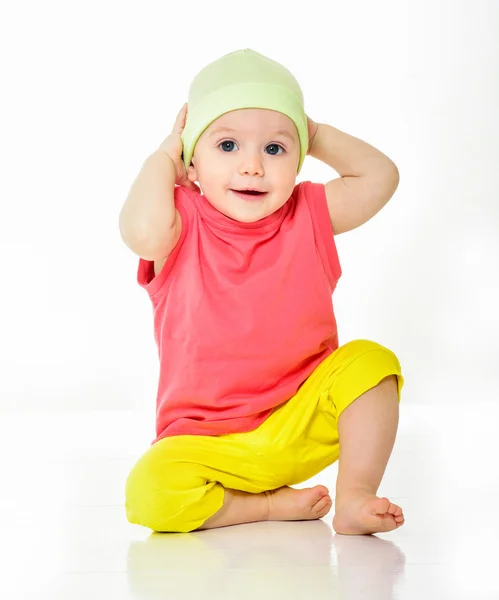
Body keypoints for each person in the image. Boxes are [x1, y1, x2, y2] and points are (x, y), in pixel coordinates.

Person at [119, 48, 405, 535]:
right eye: (227, 146)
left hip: (300, 421)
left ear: (298, 160)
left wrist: (313, 132)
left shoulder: (310, 213)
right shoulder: (178, 221)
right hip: (205, 442)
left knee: (373, 364)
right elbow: (140, 232)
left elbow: (380, 177)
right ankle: (260, 506)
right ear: (191, 163)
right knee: (148, 492)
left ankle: (355, 494)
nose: (252, 166)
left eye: (275, 149)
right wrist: (163, 158)